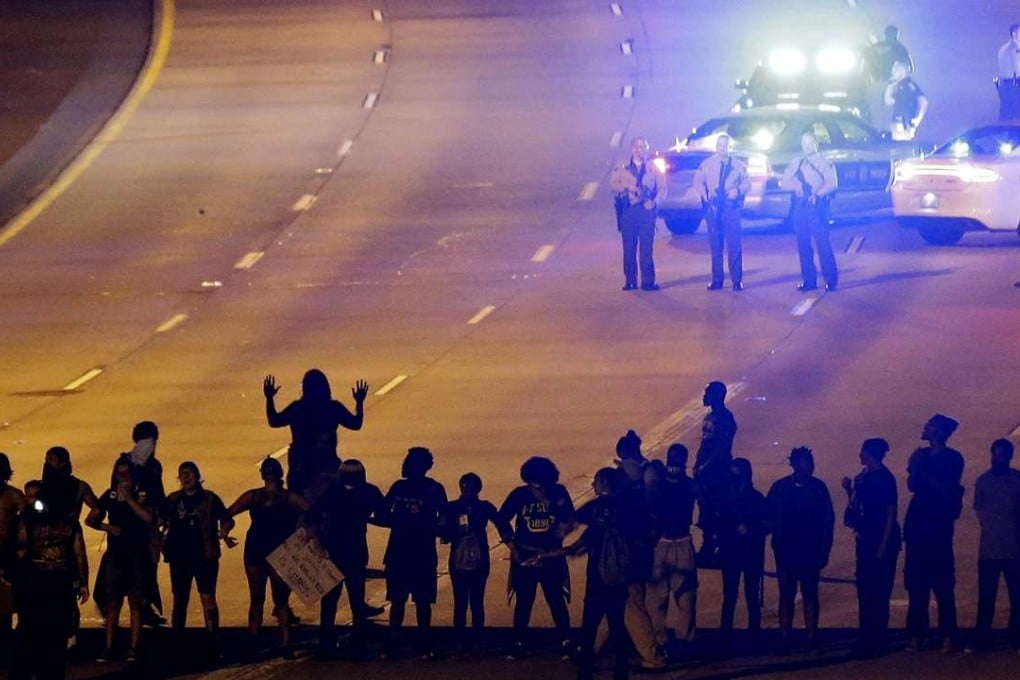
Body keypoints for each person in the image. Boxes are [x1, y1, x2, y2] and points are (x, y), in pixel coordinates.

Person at [536, 467, 635, 680]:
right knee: (617, 625)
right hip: (619, 580)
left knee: (589, 628)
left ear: (604, 482)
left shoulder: (594, 515)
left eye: (596, 481)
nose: (593, 485)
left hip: (597, 581)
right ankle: (621, 671)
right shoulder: (627, 508)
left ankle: (586, 671)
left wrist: (546, 553)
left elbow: (572, 542)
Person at [224, 457, 308, 659]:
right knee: (280, 601)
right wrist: (307, 535)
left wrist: (225, 532)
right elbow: (313, 513)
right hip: (279, 551)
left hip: (256, 549)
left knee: (257, 599)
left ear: (263, 475)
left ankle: (254, 641)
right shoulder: (288, 497)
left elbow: (227, 513)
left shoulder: (253, 496)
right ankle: (285, 642)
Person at [8, 480, 89, 680]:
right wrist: (83, 582)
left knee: (32, 632)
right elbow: (79, 555)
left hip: (39, 584)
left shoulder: (28, 521)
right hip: (55, 584)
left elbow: (19, 551)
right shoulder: (68, 523)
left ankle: (34, 671)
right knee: (52, 635)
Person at [498, 456, 576, 657]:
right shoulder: (520, 495)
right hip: (526, 553)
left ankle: (565, 640)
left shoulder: (558, 492)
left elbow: (569, 517)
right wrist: (512, 545)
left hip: (550, 554)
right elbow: (502, 519)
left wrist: (561, 531)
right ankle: (519, 641)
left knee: (555, 598)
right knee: (525, 600)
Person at [310, 458, 385, 660]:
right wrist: (366, 518)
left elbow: (313, 515)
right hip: (356, 552)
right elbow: (384, 514)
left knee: (330, 601)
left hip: (333, 551)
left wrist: (317, 539)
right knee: (356, 601)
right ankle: (358, 644)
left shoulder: (332, 492)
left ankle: (326, 644)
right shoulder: (369, 492)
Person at [903, 414, 965, 653]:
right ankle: (918, 633)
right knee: (917, 585)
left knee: (942, 584)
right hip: (920, 526)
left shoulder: (952, 458)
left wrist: (921, 473)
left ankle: (948, 633)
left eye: (929, 426)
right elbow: (913, 484)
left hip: (938, 526)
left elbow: (945, 487)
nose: (925, 428)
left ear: (938, 432)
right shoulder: (922, 456)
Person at [379, 447, 448, 658]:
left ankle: (401, 642)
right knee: (416, 601)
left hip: (406, 551)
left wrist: (405, 523)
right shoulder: (432, 488)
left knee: (407, 600)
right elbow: (443, 518)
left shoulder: (405, 488)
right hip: (415, 552)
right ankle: (418, 642)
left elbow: (383, 513)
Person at [162, 461, 234, 660]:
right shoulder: (173, 500)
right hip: (180, 558)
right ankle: (177, 641)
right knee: (180, 601)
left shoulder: (210, 498)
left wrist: (224, 530)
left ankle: (212, 640)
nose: (186, 477)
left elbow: (227, 518)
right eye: (182, 474)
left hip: (205, 556)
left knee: (208, 599)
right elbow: (160, 520)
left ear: (197, 475)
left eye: (190, 473)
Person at [87, 455, 156, 664]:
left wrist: (129, 500)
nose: (122, 478)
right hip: (117, 554)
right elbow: (91, 519)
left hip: (137, 552)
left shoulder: (142, 494)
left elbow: (149, 517)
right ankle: (109, 646)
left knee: (136, 601)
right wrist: (109, 528)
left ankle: (134, 647)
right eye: (119, 474)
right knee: (112, 601)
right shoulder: (110, 494)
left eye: (126, 474)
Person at [767, 447, 835, 650]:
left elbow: (827, 522)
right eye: (806, 462)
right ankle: (785, 634)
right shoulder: (781, 488)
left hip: (809, 551)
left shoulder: (817, 488)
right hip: (787, 551)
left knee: (810, 594)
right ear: (795, 464)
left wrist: (825, 550)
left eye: (810, 461)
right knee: (787, 594)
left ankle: (811, 635)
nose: (810, 466)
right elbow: (768, 517)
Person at [263, 370, 369, 500]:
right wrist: (359, 403)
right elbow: (355, 424)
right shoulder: (333, 408)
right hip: (328, 463)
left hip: (301, 465)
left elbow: (275, 421)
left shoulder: (298, 408)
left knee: (297, 503)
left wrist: (269, 399)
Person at [841, 438, 901, 658]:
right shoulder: (862, 478)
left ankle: (877, 638)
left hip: (879, 540)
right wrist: (849, 491)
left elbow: (890, 514)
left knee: (879, 591)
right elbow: (857, 507)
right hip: (865, 540)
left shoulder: (885, 479)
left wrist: (884, 545)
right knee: (865, 591)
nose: (860, 454)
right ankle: (867, 636)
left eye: (863, 451)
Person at [444, 473, 512, 652]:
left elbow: (501, 524)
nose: (467, 490)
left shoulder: (459, 507)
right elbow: (502, 524)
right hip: (469, 558)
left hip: (472, 559)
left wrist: (512, 544)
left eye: (470, 487)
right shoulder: (475, 507)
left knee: (472, 601)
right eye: (465, 486)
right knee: (465, 602)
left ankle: (471, 641)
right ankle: (468, 641)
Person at [966, 438, 1020, 653]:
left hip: (1012, 547)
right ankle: (984, 638)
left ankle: (1014, 638)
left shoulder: (1015, 480)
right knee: (987, 597)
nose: (999, 458)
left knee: (1016, 597)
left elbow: (980, 511)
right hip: (991, 548)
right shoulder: (984, 481)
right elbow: (980, 511)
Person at [647, 444, 698, 656]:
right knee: (682, 596)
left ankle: (663, 641)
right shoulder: (690, 485)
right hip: (678, 542)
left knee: (665, 598)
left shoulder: (659, 485)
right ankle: (680, 640)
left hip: (666, 542)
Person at [717, 458, 769, 647]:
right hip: (732, 553)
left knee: (751, 596)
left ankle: (753, 634)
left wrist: (751, 527)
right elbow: (718, 524)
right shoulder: (726, 499)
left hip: (750, 553)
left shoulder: (756, 499)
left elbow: (767, 524)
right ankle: (726, 635)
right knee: (730, 596)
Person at [121, 421, 167, 628]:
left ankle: (146, 606)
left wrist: (163, 517)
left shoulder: (154, 466)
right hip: (131, 527)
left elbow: (158, 494)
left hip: (149, 526)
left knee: (150, 567)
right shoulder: (126, 465)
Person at [781, 132, 839, 292]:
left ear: (816, 144)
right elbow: (784, 183)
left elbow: (833, 183)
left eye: (809, 143)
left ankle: (831, 280)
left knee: (823, 244)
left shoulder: (824, 162)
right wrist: (796, 187)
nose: (807, 147)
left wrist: (817, 194)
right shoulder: (796, 163)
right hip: (800, 207)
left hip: (817, 207)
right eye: (804, 144)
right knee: (803, 245)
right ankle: (809, 280)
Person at [609, 137, 668, 291]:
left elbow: (662, 188)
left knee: (646, 248)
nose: (641, 150)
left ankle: (648, 281)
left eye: (643, 147)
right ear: (633, 149)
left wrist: (654, 202)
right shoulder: (623, 167)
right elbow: (613, 184)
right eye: (638, 147)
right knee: (629, 248)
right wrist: (628, 187)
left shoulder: (653, 167)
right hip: (628, 211)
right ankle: (630, 280)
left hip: (646, 211)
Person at [693, 134, 750, 291]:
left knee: (734, 245)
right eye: (720, 145)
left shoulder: (738, 165)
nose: (722, 148)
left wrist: (737, 190)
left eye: (725, 145)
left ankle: (737, 280)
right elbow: (697, 181)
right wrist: (705, 195)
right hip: (714, 208)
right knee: (715, 245)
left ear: (729, 147)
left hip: (731, 208)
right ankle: (717, 280)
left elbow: (747, 183)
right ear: (716, 147)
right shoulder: (707, 164)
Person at [694, 381, 738, 563]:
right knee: (706, 508)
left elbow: (721, 448)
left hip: (717, 472)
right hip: (706, 470)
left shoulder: (725, 419)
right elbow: (705, 444)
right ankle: (709, 546)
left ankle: (717, 548)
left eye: (708, 393)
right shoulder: (711, 416)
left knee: (715, 509)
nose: (704, 395)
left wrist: (705, 467)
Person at [0, 453, 24, 664]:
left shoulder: (15, 496)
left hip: (6, 555)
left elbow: (26, 525)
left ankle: (6, 653)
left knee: (6, 607)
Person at [884, 61, 928, 141]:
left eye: (895, 70)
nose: (893, 73)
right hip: (896, 124)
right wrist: (890, 86)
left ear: (902, 71)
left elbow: (923, 102)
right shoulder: (897, 86)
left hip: (905, 126)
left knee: (903, 149)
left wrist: (918, 120)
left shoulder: (909, 86)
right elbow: (888, 101)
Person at [997, 24, 1020, 121]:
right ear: (1014, 34)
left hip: (1007, 86)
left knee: (1007, 115)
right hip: (1012, 86)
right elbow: (1017, 68)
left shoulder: (1006, 47)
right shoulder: (1012, 47)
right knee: (1011, 116)